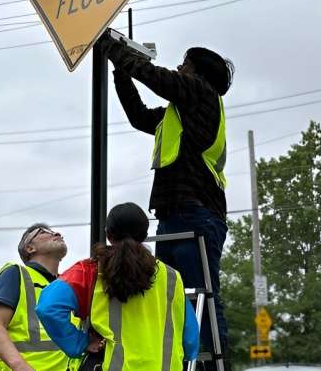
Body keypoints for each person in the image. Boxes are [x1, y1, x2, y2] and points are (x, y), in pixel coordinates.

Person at [96, 32, 233, 358]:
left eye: (183, 64)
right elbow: (139, 116)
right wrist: (120, 71)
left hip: (195, 213)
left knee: (200, 298)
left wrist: (112, 47)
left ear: (197, 73)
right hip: (176, 215)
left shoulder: (201, 92)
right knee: (170, 297)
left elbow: (154, 76)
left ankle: (212, 363)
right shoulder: (180, 114)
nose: (177, 68)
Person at [36, 202, 199, 370]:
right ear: (144, 235)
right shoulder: (172, 277)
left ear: (108, 235)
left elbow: (48, 307)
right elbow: (190, 340)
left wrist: (80, 343)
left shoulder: (90, 271)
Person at [0, 223, 73, 371]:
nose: (57, 234)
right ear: (30, 248)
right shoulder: (15, 273)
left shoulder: (67, 285)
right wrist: (21, 367)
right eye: (44, 232)